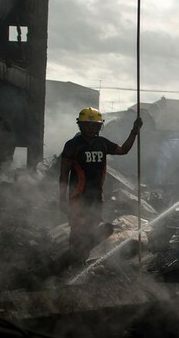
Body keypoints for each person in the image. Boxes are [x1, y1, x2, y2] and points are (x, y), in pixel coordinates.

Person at [59, 107, 142, 264]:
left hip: (96, 198)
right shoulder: (72, 146)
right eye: (87, 126)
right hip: (78, 198)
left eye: (94, 126)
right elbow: (63, 175)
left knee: (93, 231)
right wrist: (62, 199)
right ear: (80, 126)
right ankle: (71, 263)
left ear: (99, 127)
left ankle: (80, 261)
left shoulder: (102, 144)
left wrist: (134, 131)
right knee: (78, 232)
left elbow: (123, 150)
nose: (91, 129)